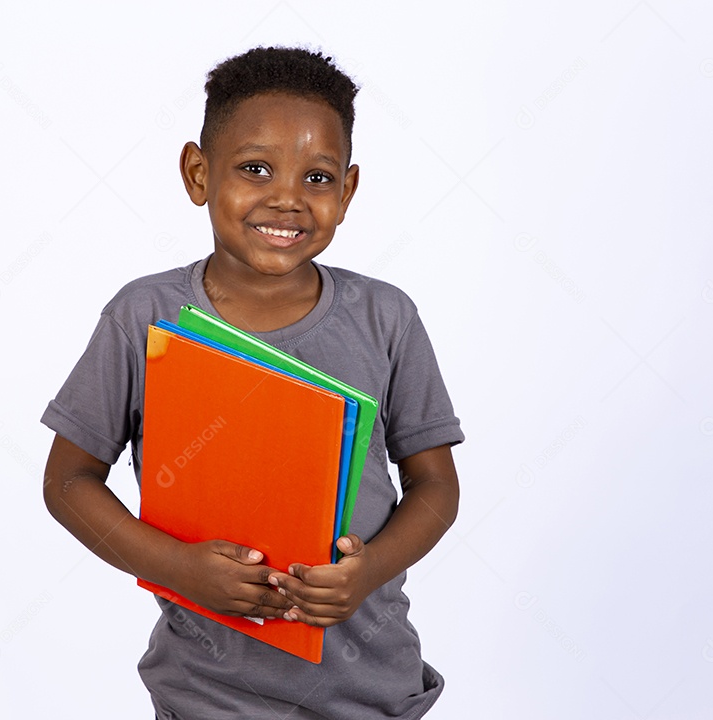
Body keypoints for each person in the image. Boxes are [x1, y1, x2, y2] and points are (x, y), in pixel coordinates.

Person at [41, 46, 464, 719]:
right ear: (198, 173)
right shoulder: (143, 317)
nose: (288, 198)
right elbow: (68, 481)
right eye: (255, 168)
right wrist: (177, 568)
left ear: (348, 192)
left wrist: (367, 574)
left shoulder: (387, 317)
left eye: (319, 177)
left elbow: (437, 485)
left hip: (373, 692)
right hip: (207, 695)